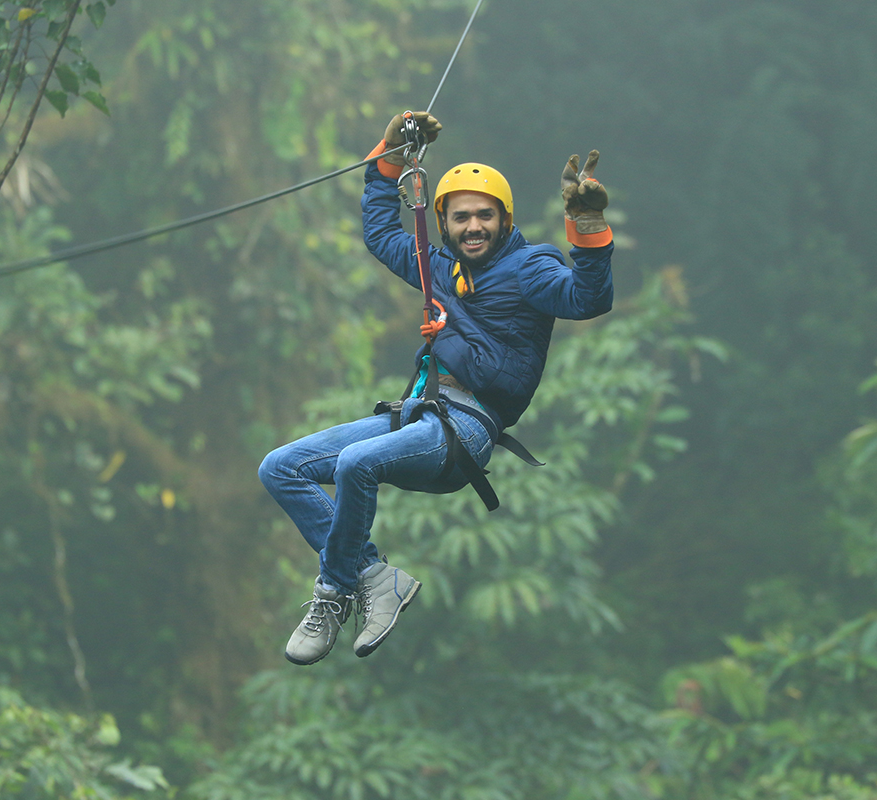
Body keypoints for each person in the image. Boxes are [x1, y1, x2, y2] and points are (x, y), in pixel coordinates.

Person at [259, 111, 615, 665]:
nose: (473, 227)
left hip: (469, 427)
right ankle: (375, 577)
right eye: (461, 217)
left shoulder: (530, 269)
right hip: (422, 411)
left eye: (485, 216)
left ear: (504, 219)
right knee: (280, 467)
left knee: (356, 463)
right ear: (444, 223)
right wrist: (389, 155)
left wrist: (588, 228)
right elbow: (381, 234)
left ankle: (332, 593)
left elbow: (587, 299)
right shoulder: (436, 267)